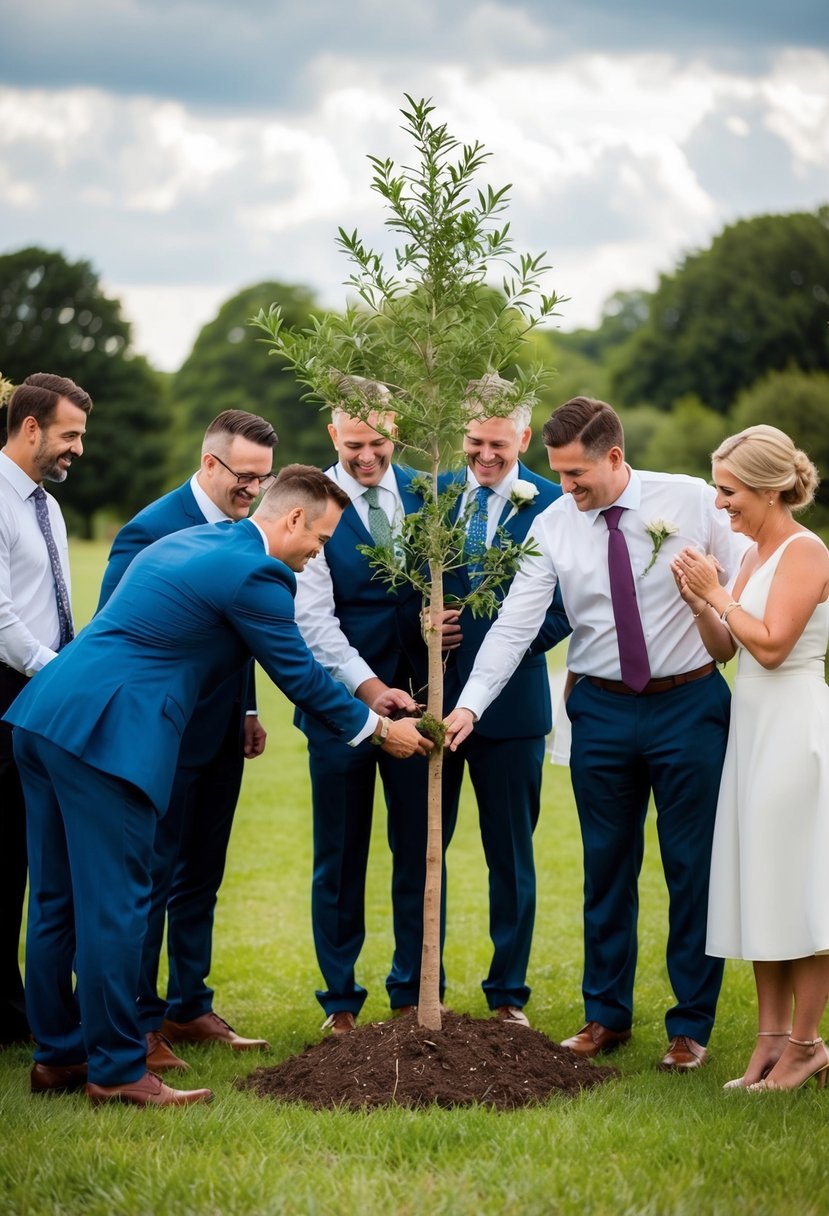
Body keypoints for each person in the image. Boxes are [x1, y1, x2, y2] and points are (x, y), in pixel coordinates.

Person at [6, 465, 430, 1107]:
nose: (318, 555)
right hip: (106, 736)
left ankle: (58, 1058)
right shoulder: (258, 575)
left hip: (43, 716)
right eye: (318, 541)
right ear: (292, 519)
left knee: (56, 903)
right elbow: (301, 676)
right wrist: (378, 730)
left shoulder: (189, 542)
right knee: (116, 907)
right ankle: (117, 1071)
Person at [444, 396, 746, 1071]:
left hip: (688, 702)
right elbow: (516, 626)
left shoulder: (690, 500)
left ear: (614, 457)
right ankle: (604, 1015)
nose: (567, 488)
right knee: (604, 866)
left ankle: (689, 1026)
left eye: (577, 474)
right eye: (558, 473)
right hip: (600, 711)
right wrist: (469, 706)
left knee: (690, 868)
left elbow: (751, 570)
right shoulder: (550, 525)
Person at [96, 410, 277, 1067]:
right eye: (242, 477)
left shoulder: (243, 531)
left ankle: (189, 1006)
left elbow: (242, 626)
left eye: (262, 479)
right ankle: (140, 1023)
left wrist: (249, 709)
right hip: (161, 739)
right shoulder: (148, 530)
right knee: (154, 876)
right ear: (208, 463)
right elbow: (119, 641)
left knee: (202, 875)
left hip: (224, 730)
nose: (251, 491)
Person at [672, 425, 829, 1092]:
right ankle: (767, 1042)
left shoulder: (804, 550)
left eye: (728, 492)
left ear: (767, 490)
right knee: (762, 883)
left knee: (799, 888)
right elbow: (727, 648)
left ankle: (806, 1043)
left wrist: (716, 595)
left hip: (794, 728)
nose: (719, 504)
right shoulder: (749, 552)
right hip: (754, 724)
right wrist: (699, 604)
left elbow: (770, 646)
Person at [293, 376, 434, 1031]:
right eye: (353, 444)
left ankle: (410, 993)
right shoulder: (313, 504)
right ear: (333, 436)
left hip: (420, 707)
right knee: (340, 856)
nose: (366, 456)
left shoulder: (428, 495)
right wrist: (369, 690)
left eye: (377, 441)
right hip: (338, 709)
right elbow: (314, 620)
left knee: (418, 850)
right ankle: (340, 1002)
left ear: (394, 430)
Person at [437, 374, 570, 1026]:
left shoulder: (554, 505)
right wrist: (422, 624)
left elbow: (569, 603)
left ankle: (507, 995)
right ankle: (418, 990)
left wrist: (505, 643)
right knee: (424, 851)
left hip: (513, 709)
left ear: (522, 436)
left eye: (497, 443)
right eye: (473, 442)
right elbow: (406, 589)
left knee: (510, 858)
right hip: (431, 703)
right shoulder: (430, 498)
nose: (484, 456)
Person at [0, 372, 92, 1048]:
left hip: (39, 693)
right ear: (30, 427)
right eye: (70, 434)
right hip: (9, 688)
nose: (78, 449)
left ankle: (18, 1011)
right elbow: (1, 619)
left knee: (30, 858)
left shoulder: (47, 507)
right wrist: (58, 675)